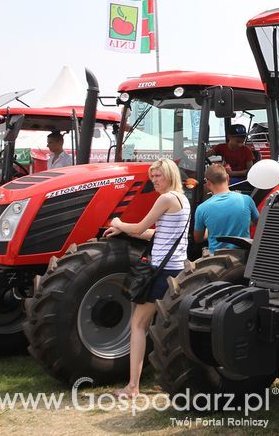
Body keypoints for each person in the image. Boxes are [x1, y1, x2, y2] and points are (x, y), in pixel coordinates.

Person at [102, 158, 189, 398]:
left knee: (138, 325)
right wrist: (125, 228)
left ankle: (133, 387)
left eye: (158, 176)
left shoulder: (166, 198)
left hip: (160, 270)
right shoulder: (183, 200)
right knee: (162, 325)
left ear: (170, 175)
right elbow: (156, 233)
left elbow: (140, 228)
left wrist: (119, 222)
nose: (154, 181)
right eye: (152, 177)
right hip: (174, 269)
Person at [194, 163, 259, 254]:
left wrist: (209, 229)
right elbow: (259, 223)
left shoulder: (201, 208)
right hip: (243, 257)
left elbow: (198, 239)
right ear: (228, 178)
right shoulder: (246, 200)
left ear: (208, 183)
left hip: (216, 260)